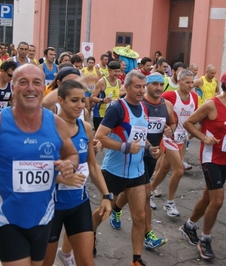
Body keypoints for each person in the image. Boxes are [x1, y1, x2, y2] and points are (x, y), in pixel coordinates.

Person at [0, 63, 78, 265]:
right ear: (13, 88)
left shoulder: (56, 123)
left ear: (44, 88)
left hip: (44, 216)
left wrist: (69, 164)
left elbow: (72, 154)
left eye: (36, 83)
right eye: (23, 82)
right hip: (7, 217)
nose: (30, 88)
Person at [179, 70, 226, 260]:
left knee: (208, 197)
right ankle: (205, 239)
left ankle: (189, 226)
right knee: (217, 200)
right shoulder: (211, 105)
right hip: (211, 158)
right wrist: (203, 137)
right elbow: (189, 123)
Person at [43, 80, 112, 266]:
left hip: (78, 203)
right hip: (51, 208)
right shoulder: (48, 129)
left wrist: (106, 195)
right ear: (60, 100)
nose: (80, 105)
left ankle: (66, 255)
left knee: (87, 262)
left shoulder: (85, 128)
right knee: (45, 263)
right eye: (74, 100)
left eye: (83, 100)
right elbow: (36, 167)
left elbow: (92, 165)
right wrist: (59, 176)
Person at [109, 73, 175, 249]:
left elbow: (172, 124)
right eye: (153, 84)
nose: (158, 88)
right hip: (128, 157)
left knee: (136, 193)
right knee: (144, 194)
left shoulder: (165, 105)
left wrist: (169, 130)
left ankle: (116, 210)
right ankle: (148, 234)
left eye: (161, 84)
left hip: (150, 154)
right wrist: (125, 146)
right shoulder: (137, 104)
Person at [93, 70, 148, 266]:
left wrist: (151, 148)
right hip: (114, 171)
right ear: (126, 86)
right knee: (103, 212)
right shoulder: (117, 108)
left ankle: (136, 259)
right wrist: (124, 147)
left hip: (137, 172)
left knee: (140, 216)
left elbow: (141, 136)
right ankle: (89, 235)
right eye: (137, 87)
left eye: (143, 86)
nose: (142, 90)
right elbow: (99, 137)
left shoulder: (144, 108)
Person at [150, 69, 198, 216]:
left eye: (192, 82)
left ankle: (149, 191)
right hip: (169, 137)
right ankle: (170, 203)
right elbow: (154, 104)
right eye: (187, 82)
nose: (190, 85)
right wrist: (163, 126)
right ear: (179, 82)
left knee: (164, 169)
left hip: (182, 138)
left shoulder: (194, 97)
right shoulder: (170, 95)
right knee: (179, 170)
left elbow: (193, 117)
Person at [91, 60, 122, 131]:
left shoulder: (119, 82)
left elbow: (117, 95)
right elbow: (92, 97)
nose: (117, 73)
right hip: (101, 115)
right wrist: (102, 100)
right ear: (109, 70)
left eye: (118, 71)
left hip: (113, 114)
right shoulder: (102, 82)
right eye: (115, 71)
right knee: (99, 139)